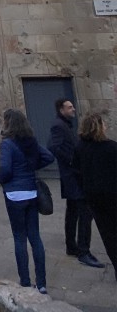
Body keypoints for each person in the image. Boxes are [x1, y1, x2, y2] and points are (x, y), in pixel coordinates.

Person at [0, 108, 55, 294]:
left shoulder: (8, 144)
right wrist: (30, 167)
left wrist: (2, 180)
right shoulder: (30, 141)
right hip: (31, 192)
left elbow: (5, 169)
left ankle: (25, 281)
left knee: (19, 238)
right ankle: (42, 283)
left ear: (8, 123)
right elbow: (48, 156)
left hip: (14, 194)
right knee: (35, 237)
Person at [47, 98, 104, 268]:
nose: (73, 109)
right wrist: (72, 162)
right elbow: (53, 146)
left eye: (72, 106)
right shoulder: (58, 125)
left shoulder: (66, 124)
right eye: (69, 107)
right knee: (85, 214)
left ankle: (71, 246)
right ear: (61, 109)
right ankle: (83, 251)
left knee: (72, 212)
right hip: (74, 177)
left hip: (73, 177)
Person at [73, 113, 117, 281]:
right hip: (113, 196)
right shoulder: (111, 147)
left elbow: (76, 171)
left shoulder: (80, 147)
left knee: (109, 236)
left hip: (94, 198)